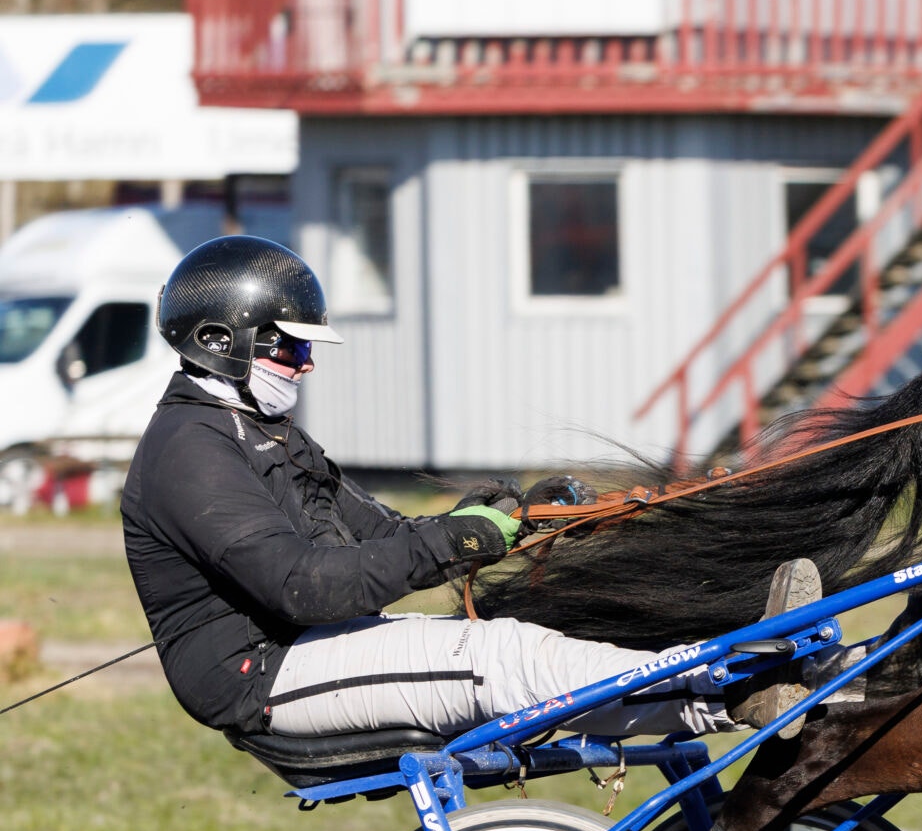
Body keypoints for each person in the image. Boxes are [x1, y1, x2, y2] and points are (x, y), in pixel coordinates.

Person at [121, 235, 817, 746]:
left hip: (310, 644)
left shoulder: (267, 432)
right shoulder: (190, 449)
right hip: (262, 675)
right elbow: (306, 588)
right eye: (289, 348)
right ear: (219, 340)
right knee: (498, 658)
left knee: (529, 655)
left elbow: (385, 536)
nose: (304, 366)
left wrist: (505, 517)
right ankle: (724, 675)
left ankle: (734, 696)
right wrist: (454, 541)